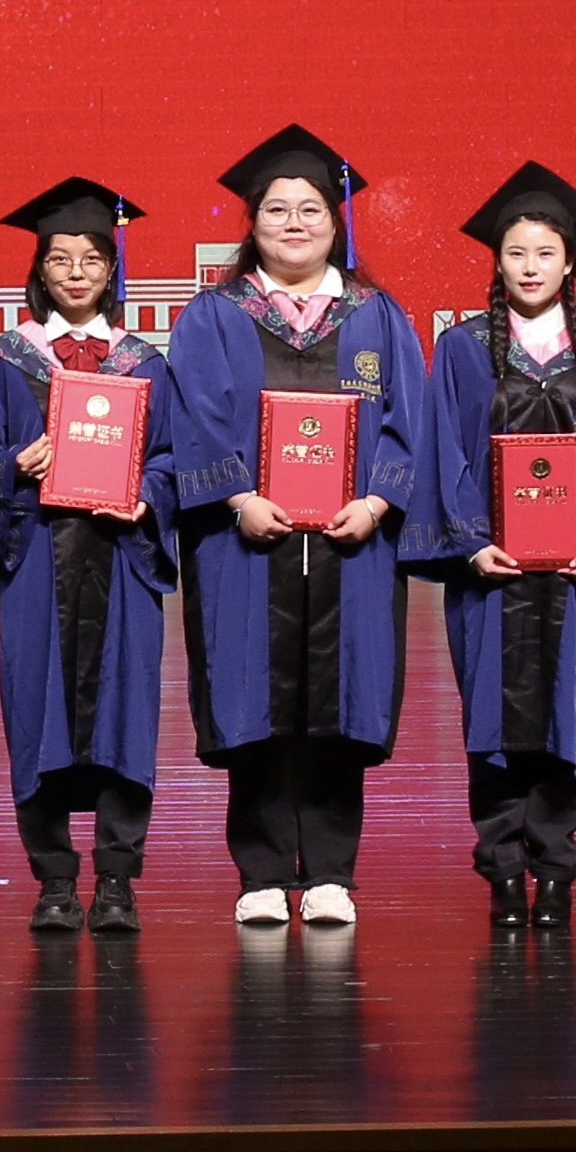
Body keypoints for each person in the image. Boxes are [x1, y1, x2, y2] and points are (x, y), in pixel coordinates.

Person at [166, 127, 430, 929]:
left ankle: (330, 873)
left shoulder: (376, 316)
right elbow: (194, 415)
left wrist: (376, 502)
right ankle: (258, 871)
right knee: (252, 698)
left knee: (337, 703)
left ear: (334, 220)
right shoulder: (213, 316)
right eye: (276, 209)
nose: (293, 222)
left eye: (309, 208)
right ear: (251, 222)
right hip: (244, 542)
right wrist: (237, 496)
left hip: (353, 543)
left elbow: (409, 423)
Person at [425, 163, 576, 931]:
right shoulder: (462, 350)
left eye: (544, 253)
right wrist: (470, 543)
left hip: (572, 575)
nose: (528, 267)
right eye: (515, 252)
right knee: (488, 719)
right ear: (496, 259)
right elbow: (446, 455)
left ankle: (553, 870)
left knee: (563, 719)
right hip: (490, 572)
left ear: (568, 262)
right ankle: (500, 868)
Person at [0, 176, 174, 935]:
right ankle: (54, 877)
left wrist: (144, 496)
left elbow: (171, 458)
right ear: (39, 269)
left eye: (91, 257)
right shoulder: (5, 361)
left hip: (122, 558)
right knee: (36, 709)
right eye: (60, 258)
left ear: (111, 268)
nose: (76, 272)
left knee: (126, 712)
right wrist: (11, 468)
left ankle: (117, 877)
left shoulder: (144, 362)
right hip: (36, 555)